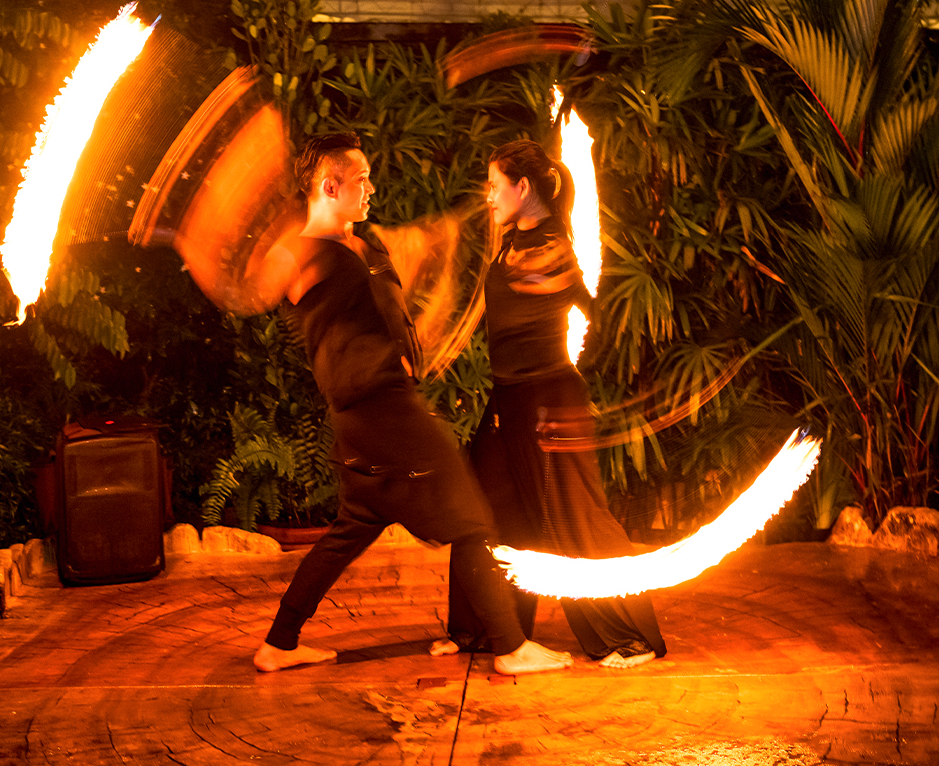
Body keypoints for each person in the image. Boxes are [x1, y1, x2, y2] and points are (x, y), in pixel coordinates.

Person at [250, 132, 573, 676]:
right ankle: (512, 647)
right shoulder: (303, 253)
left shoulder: (364, 247)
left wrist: (438, 295)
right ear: (329, 185)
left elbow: (393, 320)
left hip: (378, 407)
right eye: (361, 180)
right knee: (473, 518)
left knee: (352, 527)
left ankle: (279, 643)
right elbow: (260, 286)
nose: (371, 188)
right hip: (379, 410)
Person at [433, 139, 667, 669]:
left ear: (523, 188)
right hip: (508, 399)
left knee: (574, 519)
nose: (488, 196)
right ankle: (484, 630)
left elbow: (568, 295)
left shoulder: (552, 248)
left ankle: (629, 635)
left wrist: (558, 286)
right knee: (485, 513)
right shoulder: (512, 241)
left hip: (550, 402)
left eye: (496, 186)